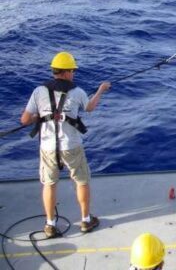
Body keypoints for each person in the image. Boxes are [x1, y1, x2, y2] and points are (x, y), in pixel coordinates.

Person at [20, 51, 111, 238]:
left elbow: (25, 119)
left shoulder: (39, 91)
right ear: (67, 71)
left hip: (47, 148)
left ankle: (50, 225)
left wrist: (41, 115)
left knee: (49, 184)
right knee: (82, 181)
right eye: (72, 70)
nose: (74, 74)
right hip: (72, 146)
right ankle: (86, 221)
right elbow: (90, 108)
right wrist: (101, 90)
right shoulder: (77, 92)